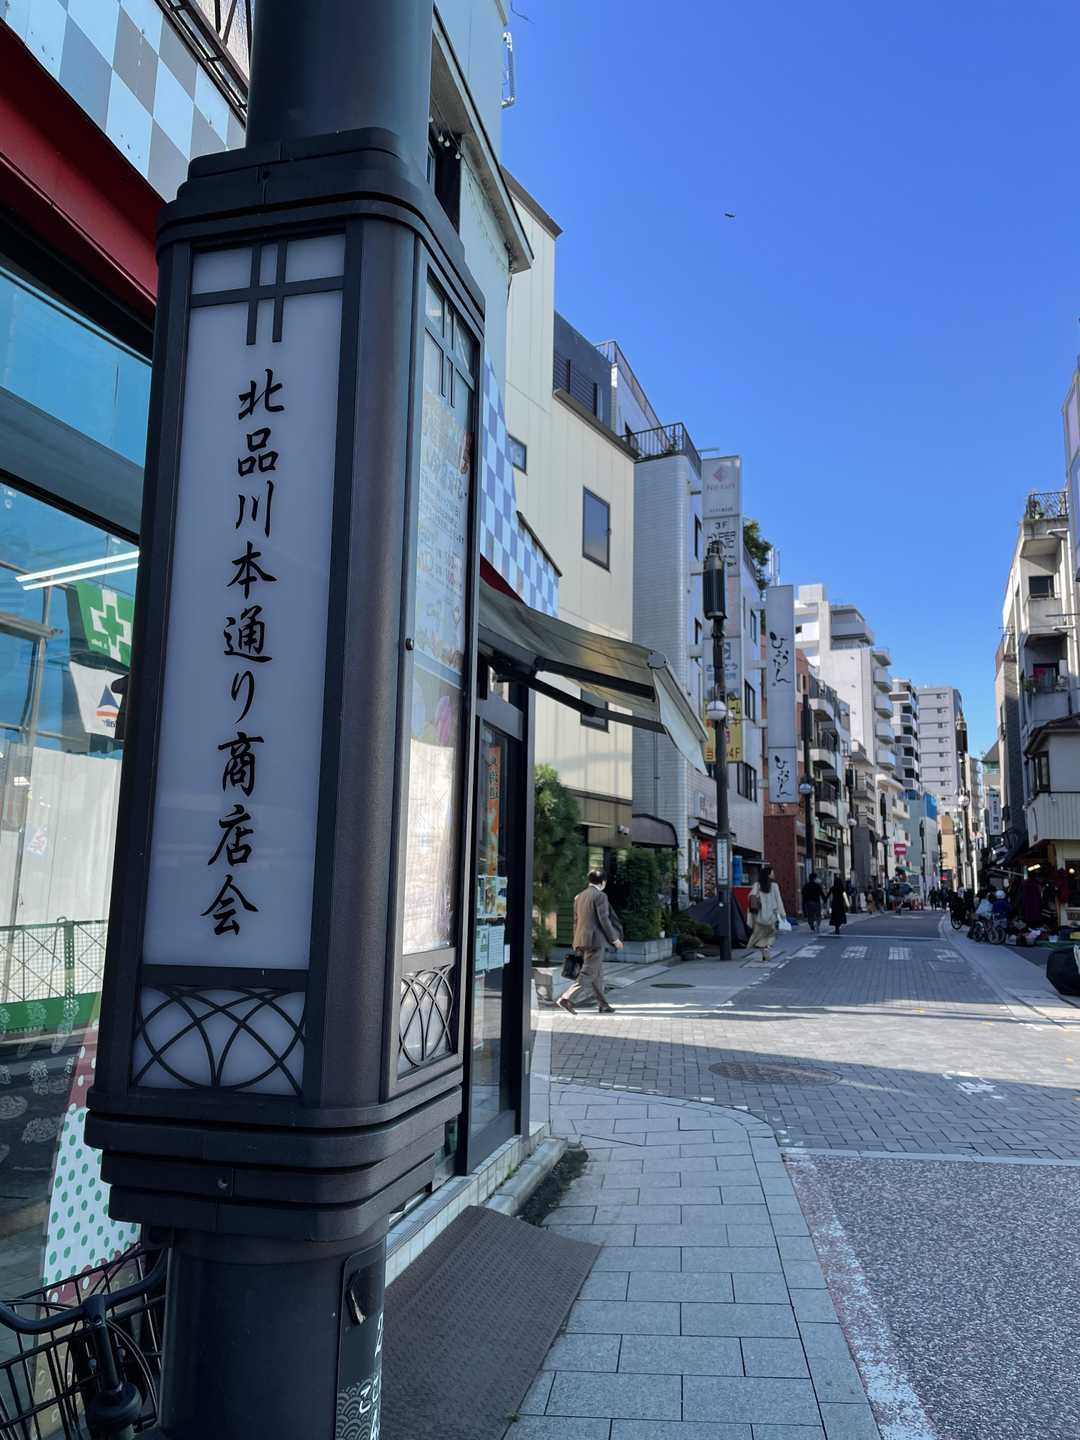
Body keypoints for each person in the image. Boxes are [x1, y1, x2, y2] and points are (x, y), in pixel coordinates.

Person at [559, 869, 623, 1015]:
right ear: (603, 882)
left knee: (597, 975)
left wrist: (575, 942)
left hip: (581, 940)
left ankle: (603, 1005)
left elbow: (576, 921)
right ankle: (566, 998)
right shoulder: (601, 896)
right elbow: (604, 920)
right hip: (595, 942)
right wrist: (615, 939)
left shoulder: (579, 896)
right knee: (588, 973)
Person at [747, 863, 787, 958]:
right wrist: (783, 914)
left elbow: (751, 898)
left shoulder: (757, 885)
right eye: (772, 873)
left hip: (759, 916)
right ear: (768, 874)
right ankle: (767, 949)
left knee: (758, 935)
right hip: (771, 916)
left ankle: (763, 951)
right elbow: (779, 901)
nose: (774, 874)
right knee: (770, 935)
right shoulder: (774, 886)